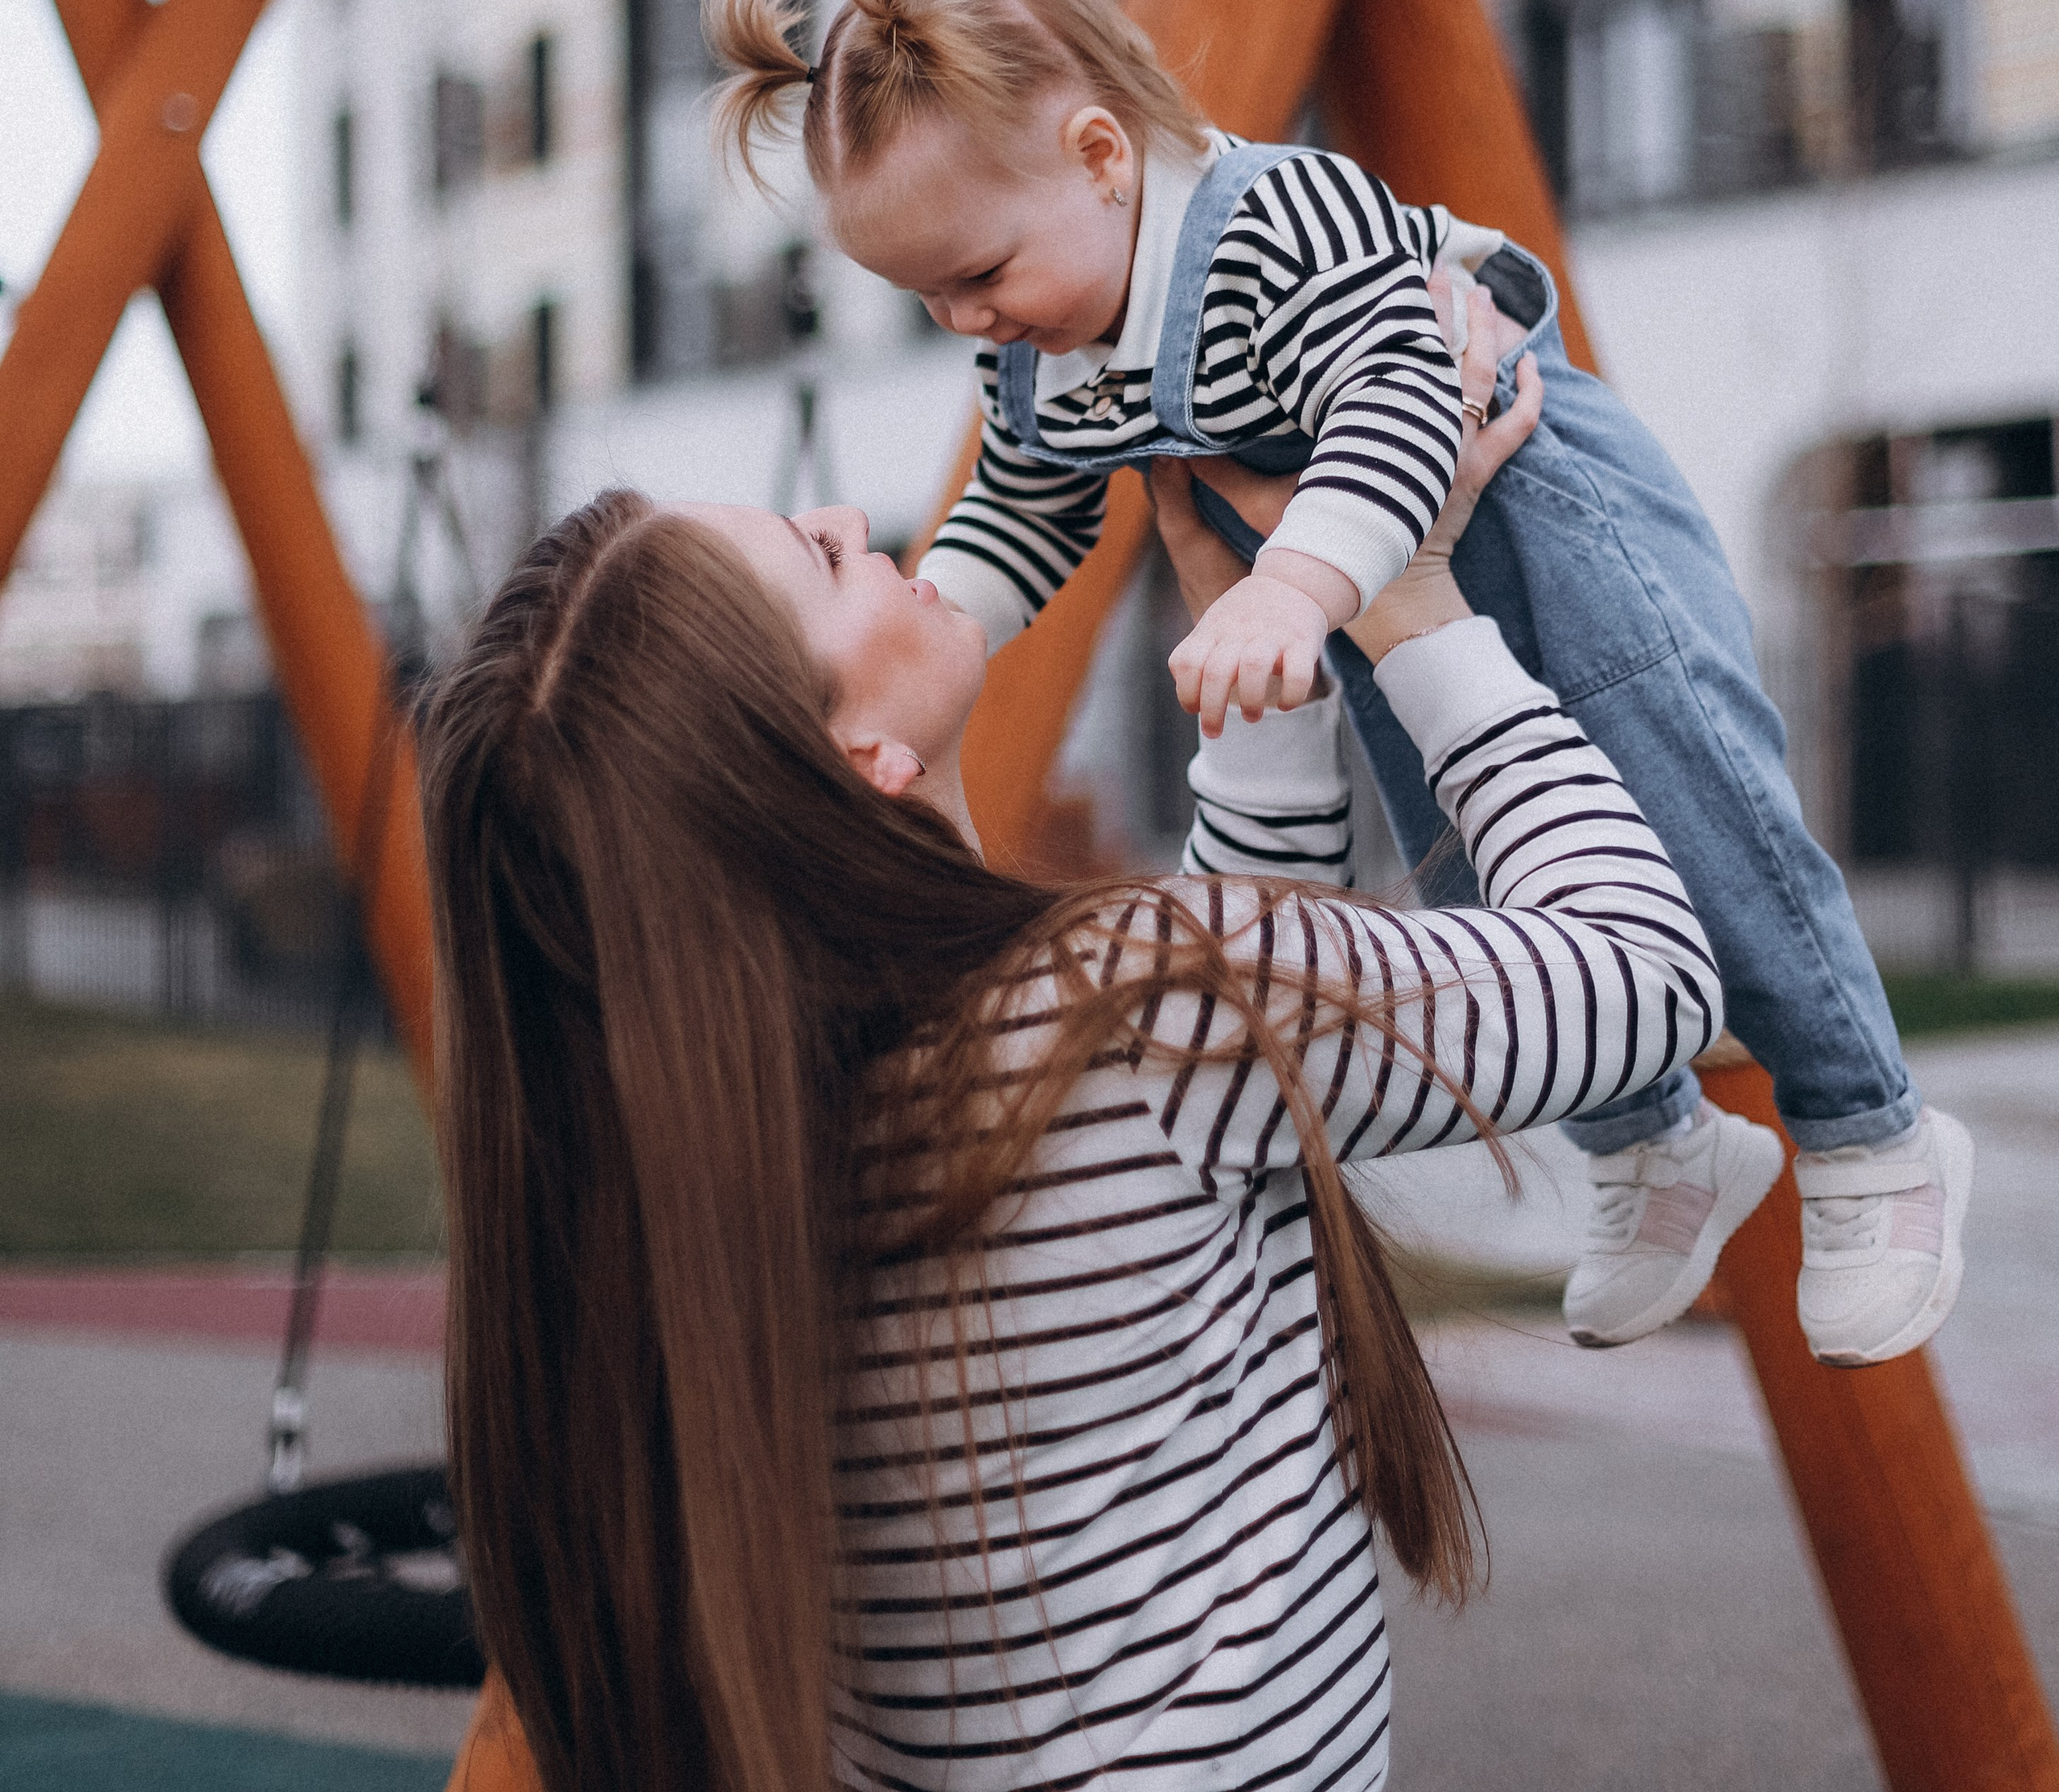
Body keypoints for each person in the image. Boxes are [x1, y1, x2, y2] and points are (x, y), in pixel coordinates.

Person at [426, 307, 1721, 1792]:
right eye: (823, 556)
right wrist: (1415, 605)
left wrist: (1259, 701)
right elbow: (1645, 973)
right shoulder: (1130, 1009)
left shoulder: (694, 1150)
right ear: (860, 761)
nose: (852, 515)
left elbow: (1225, 1102)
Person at [705, 0, 1971, 1369]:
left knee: (1697, 804)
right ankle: (1657, 1147)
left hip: (1541, 516)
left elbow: (1400, 394)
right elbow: (1018, 512)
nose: (962, 321)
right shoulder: (1044, 344)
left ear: (1103, 158)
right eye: (925, 297)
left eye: (978, 276)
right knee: (1471, 866)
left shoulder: (1276, 222)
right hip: (1366, 584)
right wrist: (926, 627)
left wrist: (1296, 588)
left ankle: (1872, 1133)